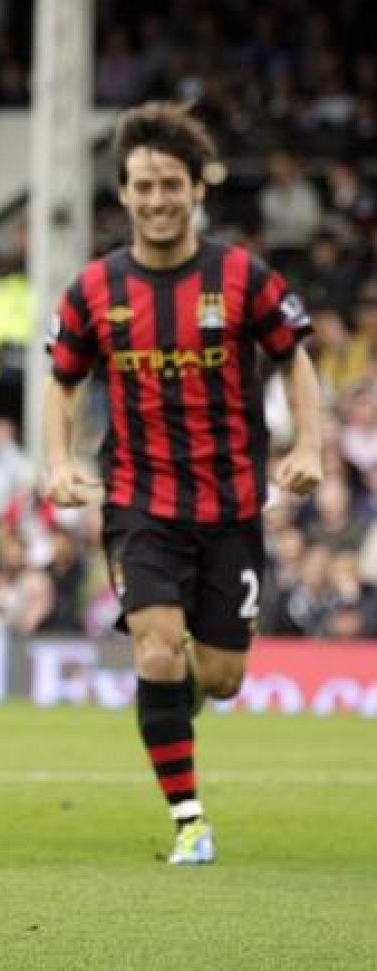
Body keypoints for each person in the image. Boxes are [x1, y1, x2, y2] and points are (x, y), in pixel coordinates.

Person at [44, 101, 322, 866]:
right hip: (140, 504)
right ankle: (190, 821)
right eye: (142, 185)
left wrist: (311, 445)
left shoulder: (242, 277)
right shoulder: (94, 289)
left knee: (224, 678)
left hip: (232, 506)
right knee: (158, 651)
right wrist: (60, 461)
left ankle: (177, 701)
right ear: (124, 193)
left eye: (171, 183)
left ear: (198, 188)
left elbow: (297, 356)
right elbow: (62, 380)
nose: (157, 198)